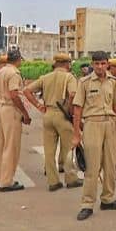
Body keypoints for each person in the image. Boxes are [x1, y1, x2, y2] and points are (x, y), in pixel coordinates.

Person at [72, 51, 116, 220]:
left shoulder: (113, 82)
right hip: (92, 124)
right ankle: (87, 204)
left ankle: (107, 199)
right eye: (96, 64)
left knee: (110, 165)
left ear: (107, 64)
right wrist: (76, 134)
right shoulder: (84, 82)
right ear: (92, 64)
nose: (100, 67)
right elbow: (77, 109)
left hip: (110, 124)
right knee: (92, 166)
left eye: (103, 63)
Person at [23, 53, 81, 191]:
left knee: (49, 151)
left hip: (48, 114)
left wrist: (38, 105)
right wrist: (70, 108)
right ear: (67, 64)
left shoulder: (46, 77)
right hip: (63, 114)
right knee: (67, 149)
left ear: (55, 63)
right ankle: (71, 178)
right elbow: (73, 94)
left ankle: (53, 181)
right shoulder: (69, 77)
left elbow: (26, 90)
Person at [0, 49, 32, 192]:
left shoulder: (1, 72)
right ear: (18, 60)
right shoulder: (14, 73)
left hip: (1, 108)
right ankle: (6, 181)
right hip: (11, 110)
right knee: (11, 147)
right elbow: (14, 94)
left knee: (1, 145)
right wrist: (25, 113)